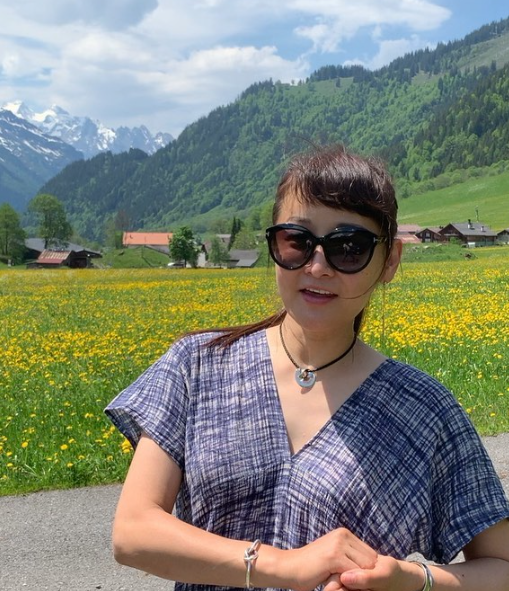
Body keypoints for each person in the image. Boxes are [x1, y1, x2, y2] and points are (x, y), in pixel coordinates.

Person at [105, 145, 509, 591]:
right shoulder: (197, 365)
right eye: (296, 241)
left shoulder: (423, 411)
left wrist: (413, 580)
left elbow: (502, 566)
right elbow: (133, 532)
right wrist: (283, 565)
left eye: (349, 248)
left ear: (390, 260)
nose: (317, 267)